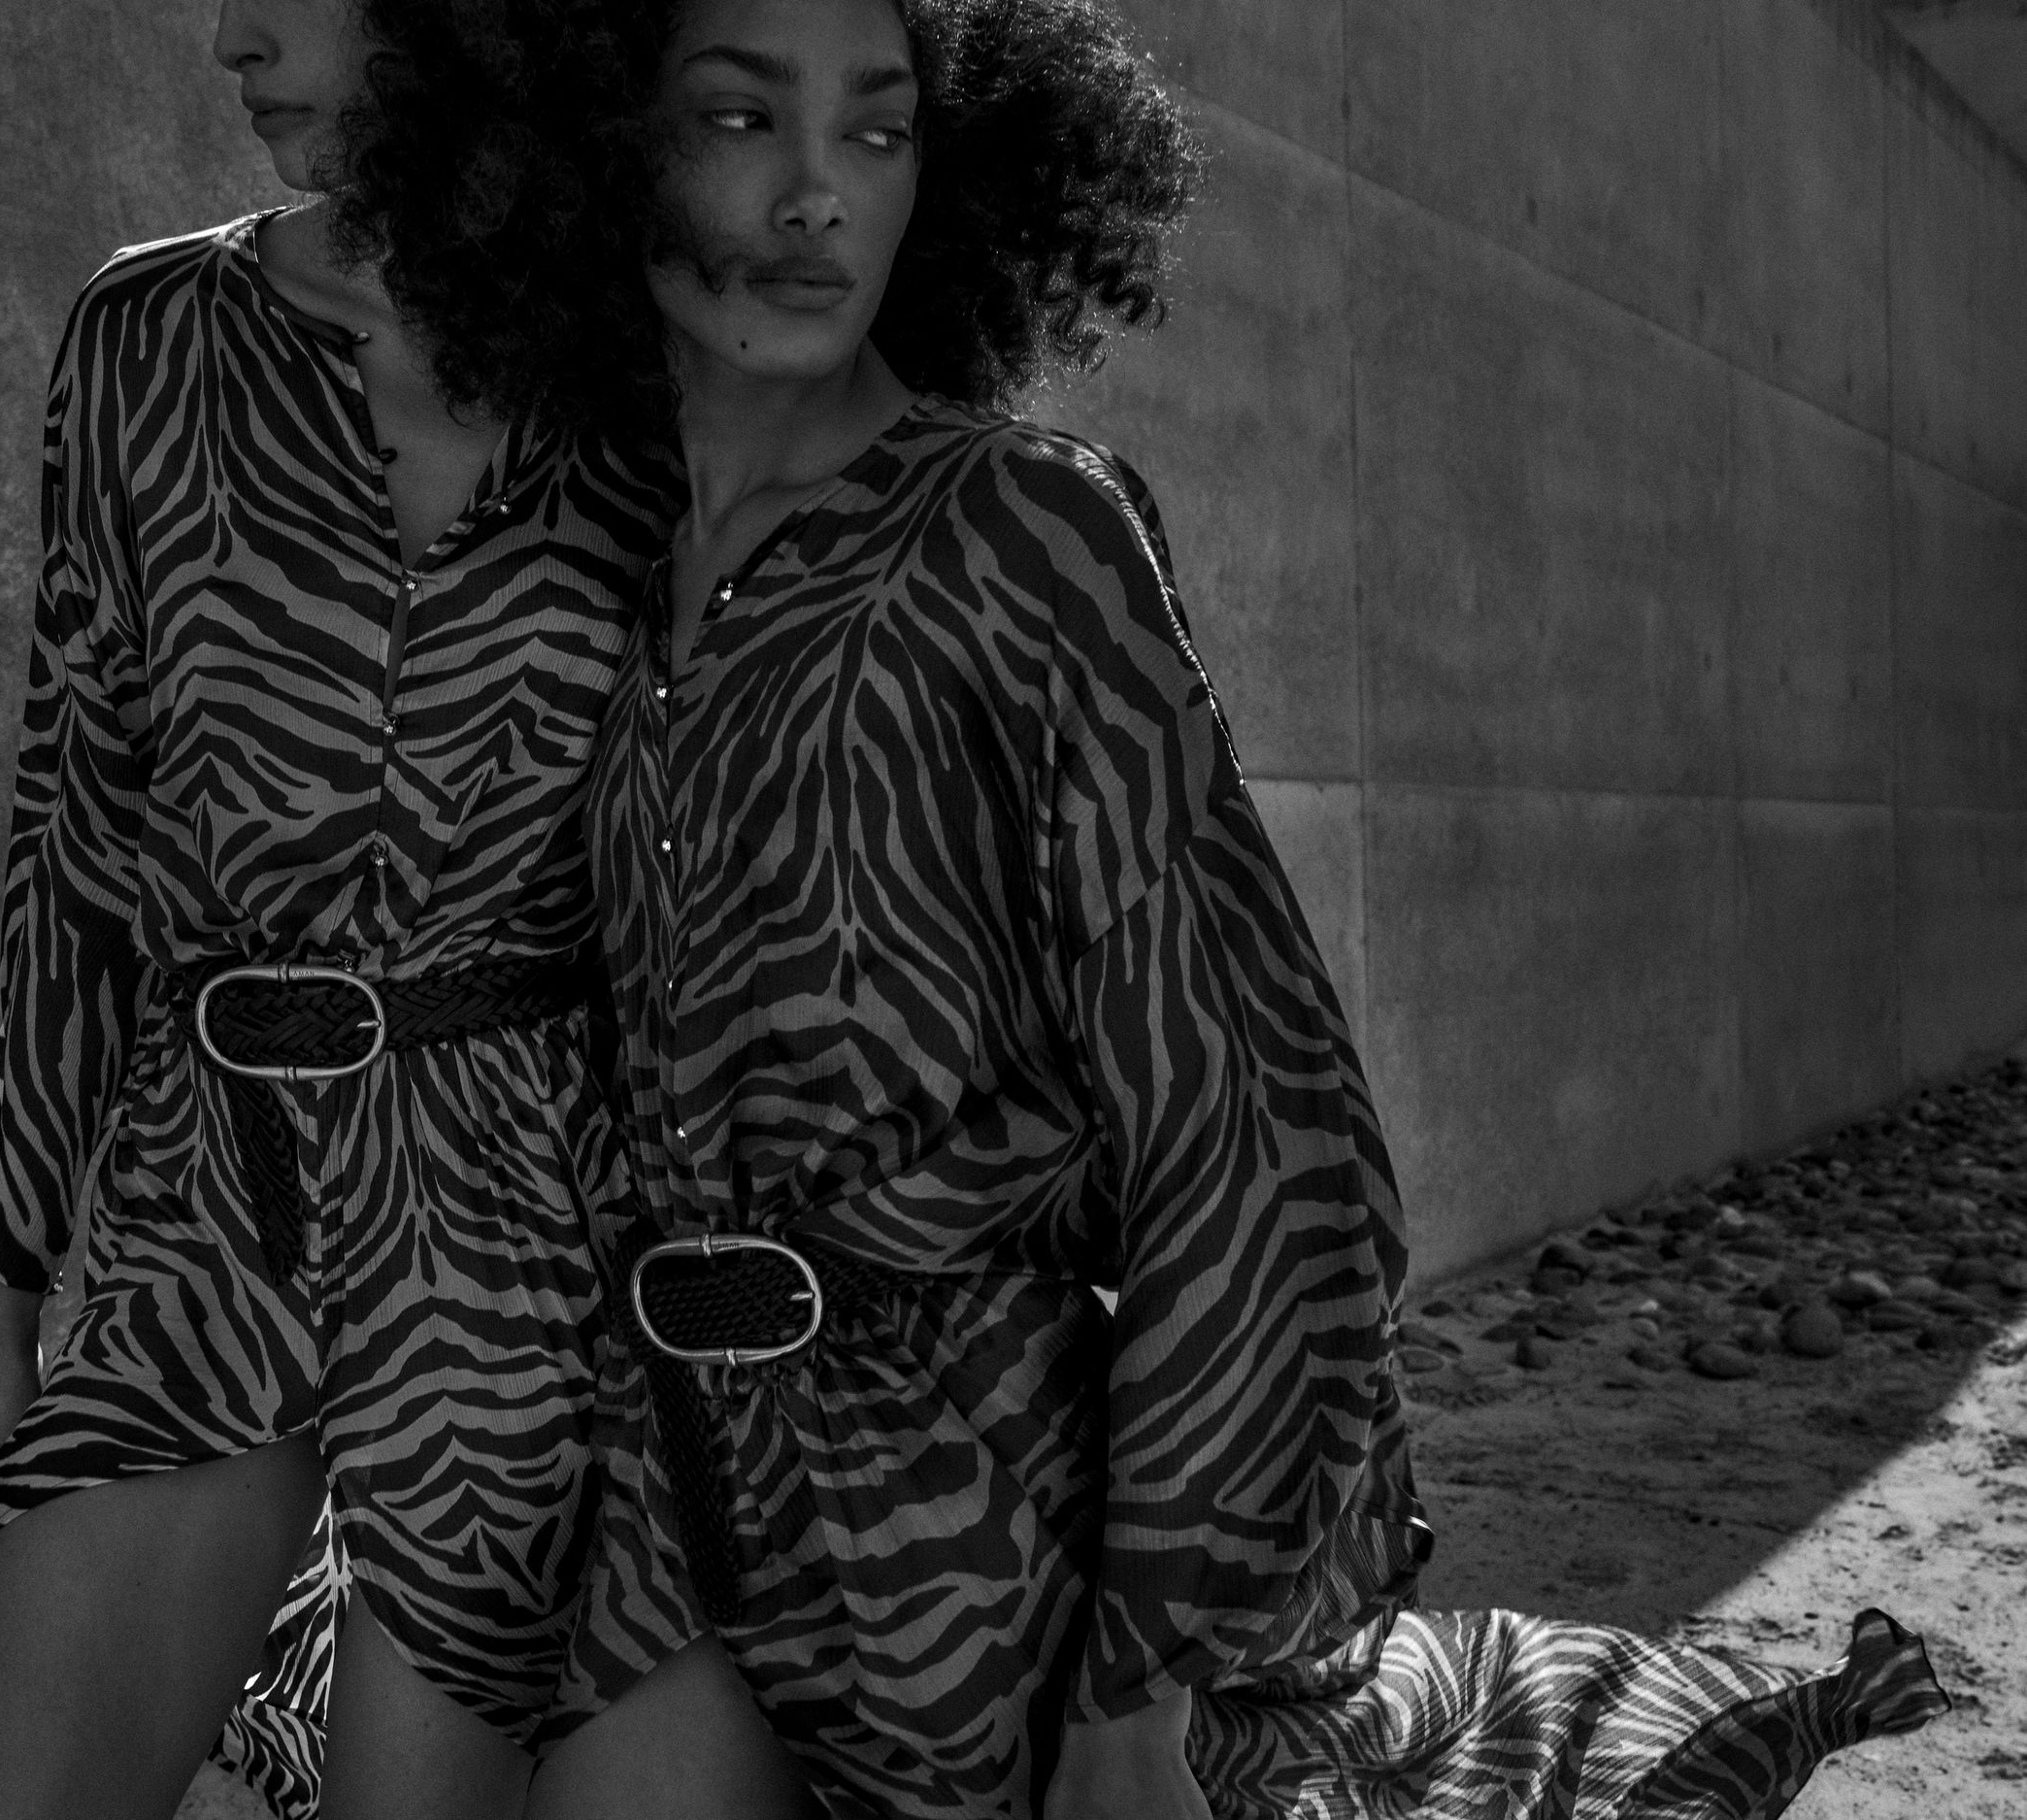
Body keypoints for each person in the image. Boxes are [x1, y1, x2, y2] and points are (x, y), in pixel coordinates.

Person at [335, 0, 1951, 1813]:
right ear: (588, 149)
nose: (815, 195)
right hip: (667, 1496)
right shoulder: (618, 587)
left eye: (878, 133)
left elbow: (1261, 1128)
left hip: (972, 1526)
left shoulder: (1024, 529)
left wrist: (1141, 1680)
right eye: (735, 118)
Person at [0, 2, 671, 1814]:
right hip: (195, 1200)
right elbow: (73, 831)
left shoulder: (651, 369)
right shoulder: (148, 332)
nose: (226, 35)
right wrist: (9, 1313)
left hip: (522, 1241)